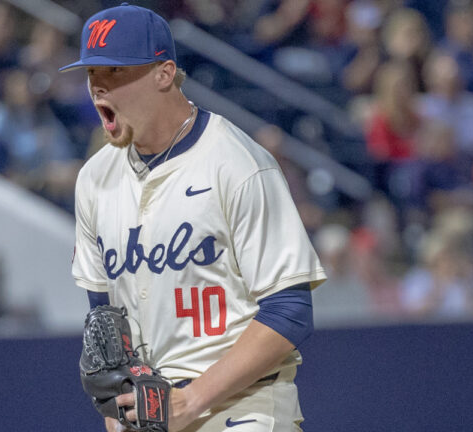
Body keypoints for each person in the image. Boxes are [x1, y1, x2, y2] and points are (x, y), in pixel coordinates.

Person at [62, 4, 326, 431]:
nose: (98, 88)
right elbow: (104, 319)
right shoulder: (95, 178)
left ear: (164, 74)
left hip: (245, 405)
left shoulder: (236, 163)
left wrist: (192, 399)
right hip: (152, 413)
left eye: (115, 72)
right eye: (92, 74)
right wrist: (119, 412)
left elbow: (289, 309)